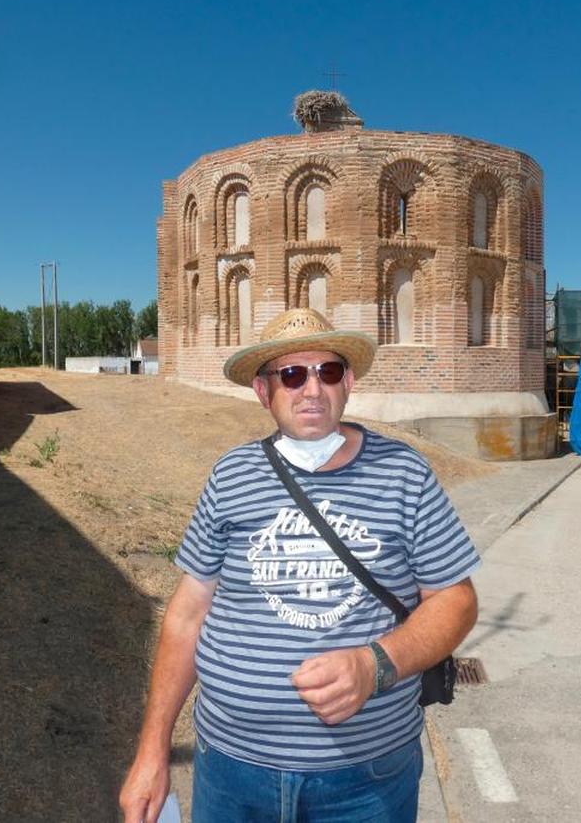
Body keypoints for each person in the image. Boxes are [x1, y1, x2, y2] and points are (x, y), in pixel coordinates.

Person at [119, 308, 480, 823]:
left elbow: (456, 600)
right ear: (264, 392)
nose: (312, 388)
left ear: (348, 382)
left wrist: (375, 664)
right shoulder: (231, 476)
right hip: (231, 771)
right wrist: (152, 751)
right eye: (292, 374)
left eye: (327, 371)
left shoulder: (404, 473)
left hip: (366, 778)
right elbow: (187, 613)